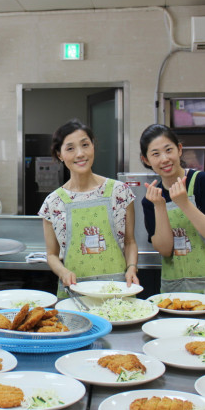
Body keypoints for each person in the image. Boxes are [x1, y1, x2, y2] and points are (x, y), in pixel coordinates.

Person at [39, 119, 139, 298]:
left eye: (85, 145)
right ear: (60, 154)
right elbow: (52, 254)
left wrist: (132, 267)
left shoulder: (119, 192)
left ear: (93, 146)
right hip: (74, 293)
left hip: (117, 291)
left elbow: (130, 242)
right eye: (70, 148)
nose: (80, 154)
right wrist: (63, 272)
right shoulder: (52, 203)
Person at [139, 123, 205, 298]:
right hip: (176, 293)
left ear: (179, 149)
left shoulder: (204, 182)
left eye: (168, 150)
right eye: (155, 154)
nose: (164, 159)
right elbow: (165, 250)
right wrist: (160, 207)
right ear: (146, 160)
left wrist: (184, 203)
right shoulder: (151, 200)